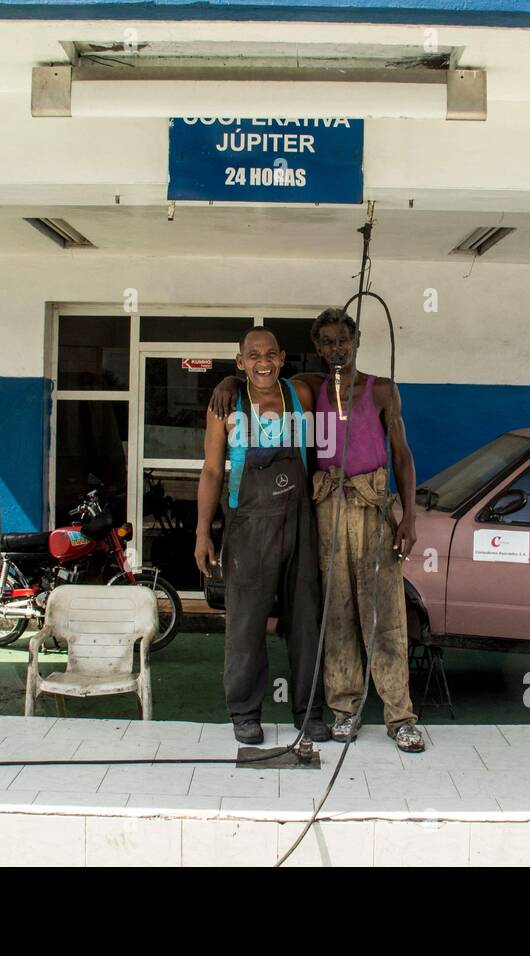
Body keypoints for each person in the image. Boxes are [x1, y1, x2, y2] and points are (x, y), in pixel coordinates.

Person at [210, 309, 425, 753]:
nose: (336, 349)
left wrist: (410, 517)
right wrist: (229, 382)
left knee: (374, 615)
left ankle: (394, 715)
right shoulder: (313, 388)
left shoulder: (370, 391)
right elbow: (258, 384)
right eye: (326, 343)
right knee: (333, 614)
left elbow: (402, 454)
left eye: (343, 340)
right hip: (317, 508)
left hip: (363, 508)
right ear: (318, 349)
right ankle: (338, 710)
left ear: (356, 340)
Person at [194, 327, 330, 745]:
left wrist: (229, 376)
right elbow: (213, 471)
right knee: (246, 622)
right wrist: (203, 532)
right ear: (241, 361)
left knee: (306, 618)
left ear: (283, 357)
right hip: (248, 524)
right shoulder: (225, 406)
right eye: (253, 356)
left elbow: (339, 381)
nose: (263, 362)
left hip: (298, 520)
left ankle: (308, 712)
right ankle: (245, 712)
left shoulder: (300, 396)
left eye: (270, 354)